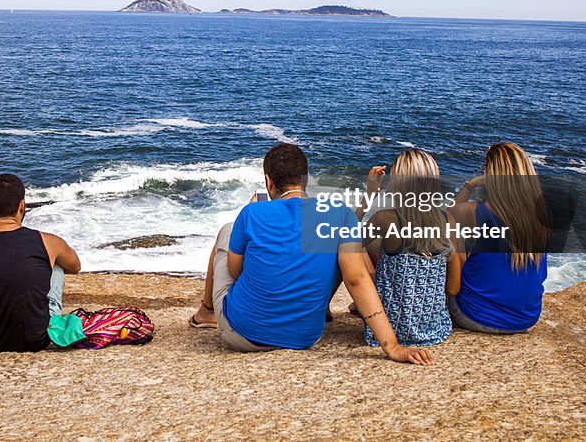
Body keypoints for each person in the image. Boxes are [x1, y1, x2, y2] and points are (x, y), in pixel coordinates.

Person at [190, 143, 433, 365]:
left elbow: (235, 271)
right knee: (340, 249)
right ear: (306, 180)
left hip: (242, 334)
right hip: (306, 336)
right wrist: (392, 347)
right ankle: (318, 307)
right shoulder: (340, 213)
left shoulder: (252, 212)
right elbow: (356, 278)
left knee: (227, 230)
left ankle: (206, 312)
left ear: (268, 181)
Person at [0, 173, 81, 353]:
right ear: (22, 205)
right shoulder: (49, 242)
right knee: (56, 264)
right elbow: (75, 266)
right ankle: (44, 319)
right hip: (37, 338)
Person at [355, 148, 460, 347]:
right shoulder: (448, 221)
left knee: (358, 248)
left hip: (389, 331)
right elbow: (453, 288)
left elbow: (345, 240)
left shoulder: (384, 219)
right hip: (434, 331)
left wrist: (369, 194)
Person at [448, 142, 550, 333]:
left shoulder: (474, 212)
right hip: (526, 318)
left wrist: (469, 186)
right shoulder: (542, 215)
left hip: (475, 316)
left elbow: (447, 215)